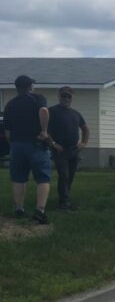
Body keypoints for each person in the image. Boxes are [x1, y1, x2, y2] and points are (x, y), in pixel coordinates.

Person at [2, 75, 51, 224]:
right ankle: (39, 210)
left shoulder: (10, 104)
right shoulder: (37, 98)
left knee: (18, 178)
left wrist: (13, 144)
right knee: (43, 177)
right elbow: (44, 111)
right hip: (35, 143)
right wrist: (44, 131)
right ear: (30, 87)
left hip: (17, 144)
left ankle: (19, 208)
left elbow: (7, 131)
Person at [48, 86, 90, 210]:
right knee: (64, 176)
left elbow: (85, 128)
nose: (66, 98)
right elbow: (45, 130)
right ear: (59, 96)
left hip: (74, 150)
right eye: (63, 96)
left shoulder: (76, 114)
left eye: (68, 96)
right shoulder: (52, 111)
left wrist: (83, 143)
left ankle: (65, 198)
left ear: (72, 98)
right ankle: (63, 203)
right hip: (60, 150)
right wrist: (54, 143)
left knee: (70, 176)